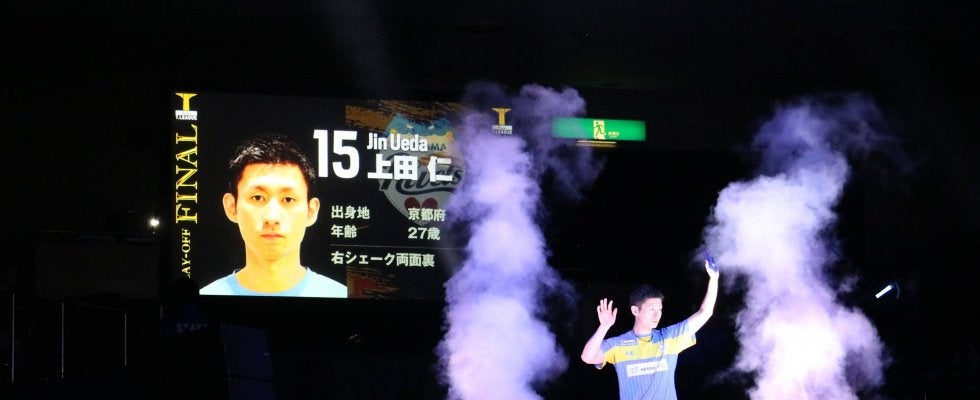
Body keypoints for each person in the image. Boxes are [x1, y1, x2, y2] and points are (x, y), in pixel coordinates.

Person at [200, 133, 347, 297]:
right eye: (257, 198)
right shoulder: (205, 298)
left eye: (288, 199)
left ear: (311, 211)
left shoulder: (340, 295)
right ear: (231, 207)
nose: (272, 217)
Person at [580, 259, 719, 400]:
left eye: (660, 309)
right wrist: (604, 327)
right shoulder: (618, 345)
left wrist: (714, 279)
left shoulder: (670, 338)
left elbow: (705, 312)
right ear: (635, 311)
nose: (657, 314)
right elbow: (588, 357)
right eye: (651, 309)